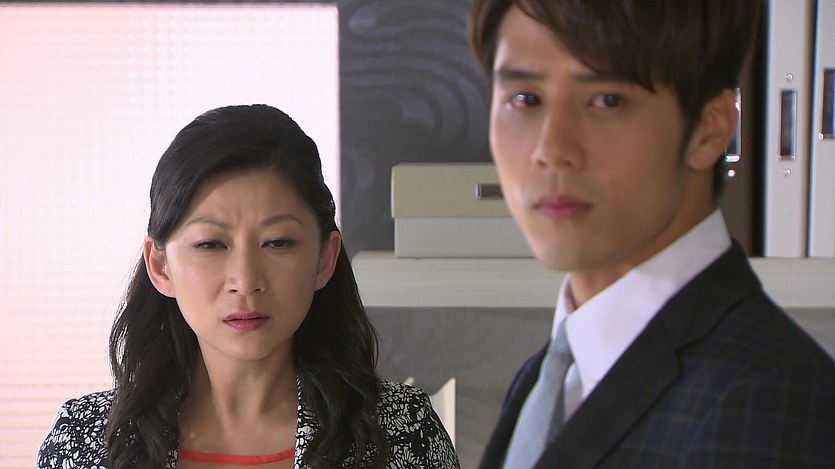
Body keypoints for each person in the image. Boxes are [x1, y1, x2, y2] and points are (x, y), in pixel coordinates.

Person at [467, 1, 835, 468]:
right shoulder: (553, 372)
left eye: (608, 100)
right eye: (525, 99)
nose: (552, 149)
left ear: (710, 129)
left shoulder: (774, 404)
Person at [37, 104, 459, 469]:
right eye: (210, 244)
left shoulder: (402, 433)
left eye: (278, 242)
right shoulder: (85, 443)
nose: (245, 281)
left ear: (324, 258)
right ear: (160, 266)